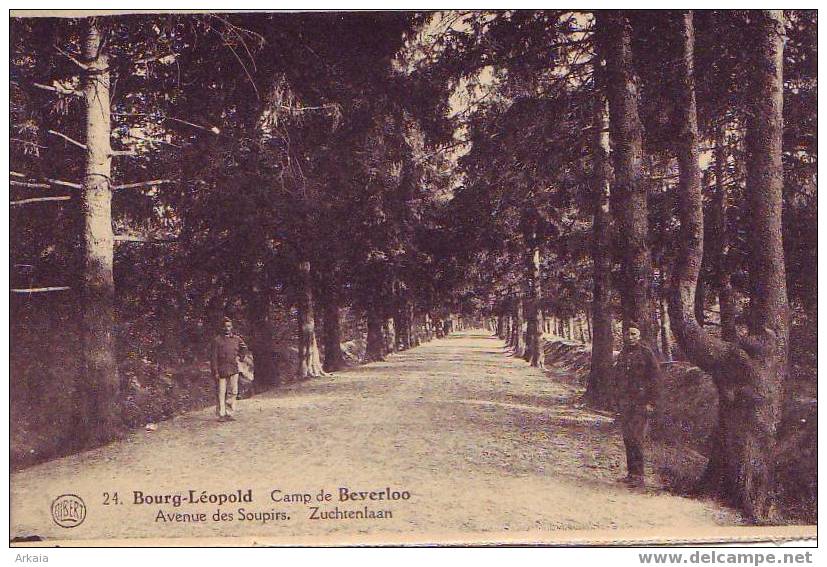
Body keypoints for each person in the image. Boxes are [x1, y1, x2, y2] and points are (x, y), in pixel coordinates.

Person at [614, 322, 662, 489]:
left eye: (634, 334)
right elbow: (618, 378)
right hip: (626, 402)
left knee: (637, 437)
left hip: (641, 402)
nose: (631, 337)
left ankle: (639, 475)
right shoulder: (623, 354)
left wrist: (651, 402)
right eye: (628, 334)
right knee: (627, 438)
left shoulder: (646, 353)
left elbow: (655, 378)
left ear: (639, 335)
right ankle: (631, 473)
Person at [210, 317, 248, 422]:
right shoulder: (217, 340)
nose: (227, 328)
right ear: (221, 327)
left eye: (229, 326)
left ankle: (229, 412)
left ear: (232, 327)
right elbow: (213, 358)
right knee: (221, 392)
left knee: (233, 391)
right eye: (225, 326)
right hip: (221, 370)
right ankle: (221, 414)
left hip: (233, 368)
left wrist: (240, 357)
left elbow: (244, 348)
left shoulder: (236, 339)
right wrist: (215, 371)